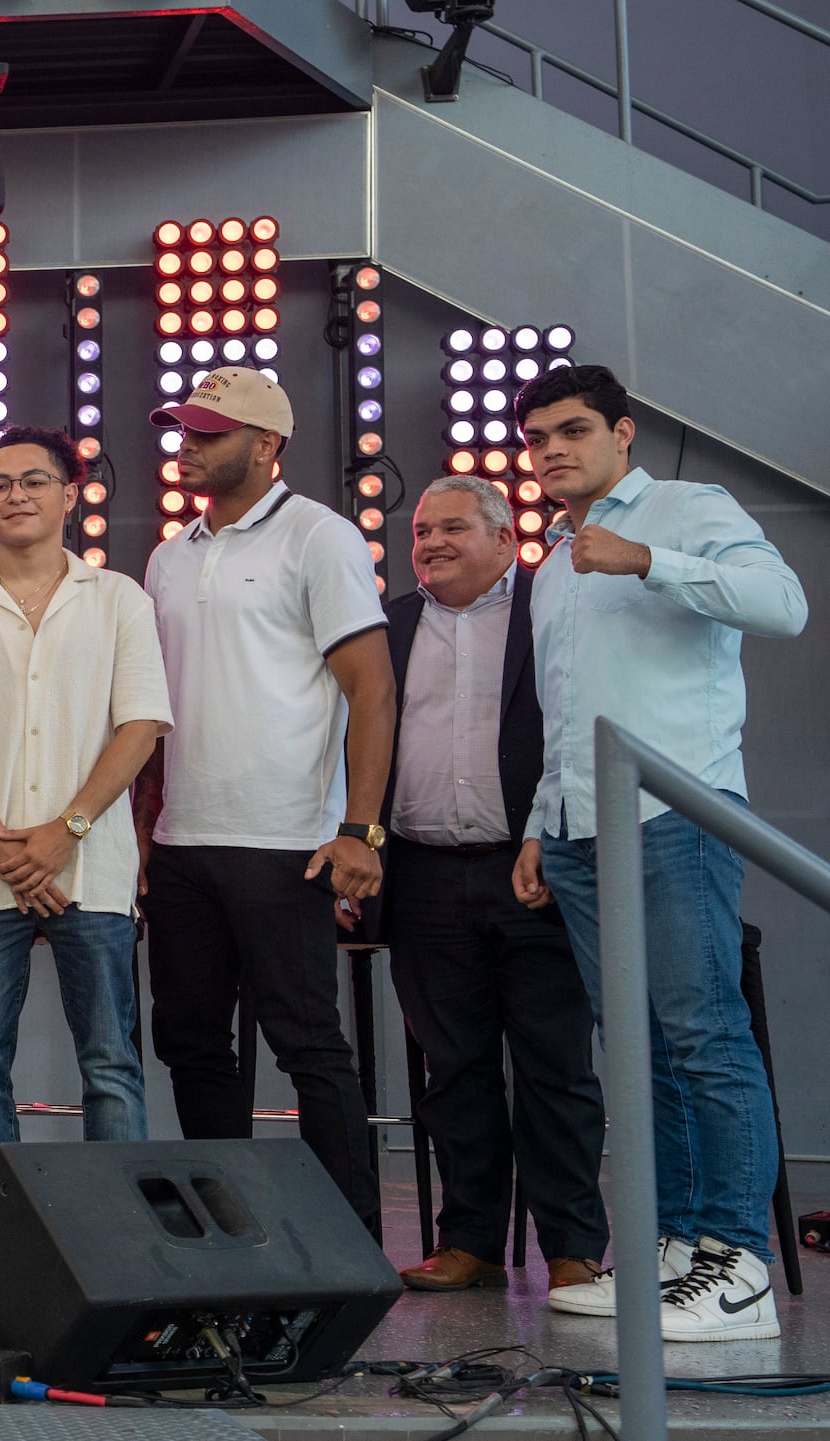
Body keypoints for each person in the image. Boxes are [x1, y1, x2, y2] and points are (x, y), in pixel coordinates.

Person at [509, 365, 806, 1342]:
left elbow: (782, 604)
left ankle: (738, 1264)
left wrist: (649, 561)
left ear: (623, 432)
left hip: (678, 811)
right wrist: (537, 827)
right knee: (638, 1048)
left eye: (573, 429)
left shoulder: (685, 508)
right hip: (579, 831)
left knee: (704, 1032)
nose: (552, 448)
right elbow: (569, 705)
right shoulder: (553, 562)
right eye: (539, 435)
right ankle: (679, 1253)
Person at [135, 367, 392, 1233]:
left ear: (268, 445)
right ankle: (228, 1230)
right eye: (185, 429)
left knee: (307, 1043)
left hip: (288, 840)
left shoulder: (319, 537)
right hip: (182, 840)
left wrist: (360, 829)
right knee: (193, 1044)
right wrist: (143, 829)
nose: (189, 444)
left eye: (210, 432)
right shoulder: (169, 556)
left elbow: (373, 688)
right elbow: (154, 706)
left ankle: (348, 1237)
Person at [0, 427, 169, 1174]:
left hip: (93, 865)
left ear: (70, 495)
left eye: (34, 480)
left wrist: (66, 830)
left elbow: (140, 727)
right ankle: (7, 1241)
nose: (15, 494)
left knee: (111, 1062)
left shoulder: (119, 600)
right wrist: (0, 840)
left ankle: (120, 1240)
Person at [376, 475, 608, 1297]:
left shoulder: (555, 610)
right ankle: (468, 1240)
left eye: (451, 529)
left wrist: (553, 836)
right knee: (456, 1070)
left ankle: (574, 1247)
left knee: (554, 1066)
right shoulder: (390, 624)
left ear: (507, 538)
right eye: (421, 532)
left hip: (536, 868)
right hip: (425, 875)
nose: (430, 543)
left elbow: (583, 732)